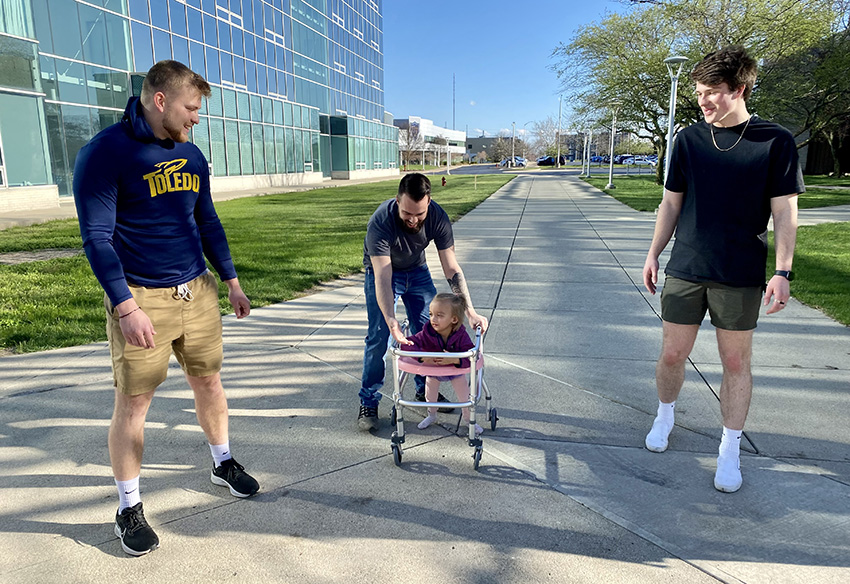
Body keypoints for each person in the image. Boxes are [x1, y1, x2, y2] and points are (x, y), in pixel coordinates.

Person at [73, 60, 259, 556]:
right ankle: (128, 507)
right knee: (134, 405)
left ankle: (222, 463)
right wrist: (126, 306)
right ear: (160, 101)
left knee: (209, 382)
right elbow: (95, 238)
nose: (197, 118)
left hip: (196, 290)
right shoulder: (104, 154)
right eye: (191, 108)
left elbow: (208, 221)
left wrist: (231, 281)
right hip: (141, 298)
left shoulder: (192, 156)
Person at [642, 46, 803, 493]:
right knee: (673, 354)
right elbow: (670, 202)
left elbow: (786, 212)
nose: (704, 101)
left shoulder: (775, 142)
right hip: (687, 267)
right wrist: (654, 252)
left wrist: (783, 271)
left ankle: (729, 448)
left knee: (735, 361)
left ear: (740, 89)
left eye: (713, 92)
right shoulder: (689, 141)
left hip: (740, 273)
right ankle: (665, 415)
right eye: (698, 93)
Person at [358, 173, 489, 431]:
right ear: (397, 201)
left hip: (417, 271)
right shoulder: (381, 222)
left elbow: (451, 267)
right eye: (407, 213)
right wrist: (391, 320)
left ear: (429, 202)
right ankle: (368, 401)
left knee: (430, 329)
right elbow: (384, 276)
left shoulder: (438, 217)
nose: (413, 219)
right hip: (384, 273)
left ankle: (424, 389)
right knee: (379, 335)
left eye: (419, 213)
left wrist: (470, 311)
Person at [406, 293, 483, 435]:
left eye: (439, 315)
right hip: (434, 370)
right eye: (431, 314)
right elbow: (407, 345)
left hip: (455, 370)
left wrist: (455, 359)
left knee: (464, 396)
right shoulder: (427, 332)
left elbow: (473, 355)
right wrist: (422, 357)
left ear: (454, 319)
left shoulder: (460, 335)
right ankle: (431, 415)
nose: (433, 319)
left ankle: (469, 419)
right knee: (430, 393)